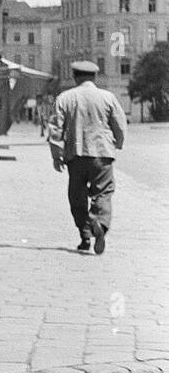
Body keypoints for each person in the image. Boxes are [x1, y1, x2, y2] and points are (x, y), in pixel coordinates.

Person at [47, 60, 126, 253]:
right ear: (95, 77)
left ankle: (85, 236)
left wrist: (57, 156)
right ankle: (100, 224)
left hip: (76, 155)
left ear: (74, 76)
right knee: (104, 192)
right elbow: (120, 123)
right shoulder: (108, 97)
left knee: (77, 197)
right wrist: (118, 143)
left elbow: (56, 128)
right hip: (102, 154)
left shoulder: (65, 98)